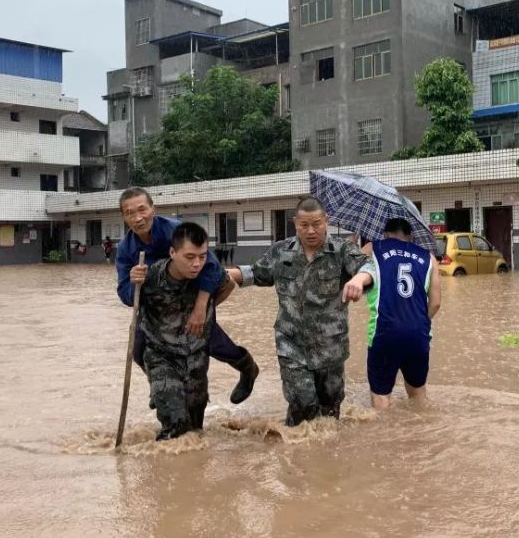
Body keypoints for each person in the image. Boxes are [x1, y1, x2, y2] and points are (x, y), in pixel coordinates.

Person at [227, 196, 374, 426]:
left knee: (330, 410)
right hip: (291, 344)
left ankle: (320, 458)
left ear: (327, 221)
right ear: (295, 223)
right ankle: (294, 451)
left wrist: (358, 279)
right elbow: (256, 272)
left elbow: (368, 266)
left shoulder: (342, 250)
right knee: (303, 402)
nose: (311, 231)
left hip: (330, 347)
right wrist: (225, 274)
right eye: (304, 225)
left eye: (316, 224)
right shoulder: (282, 251)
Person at [116, 187, 259, 405]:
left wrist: (201, 308)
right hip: (157, 309)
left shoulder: (177, 232)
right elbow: (125, 294)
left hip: (192, 297)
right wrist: (134, 281)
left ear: (153, 209)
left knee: (213, 344)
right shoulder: (126, 249)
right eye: (129, 213)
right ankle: (161, 384)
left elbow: (212, 267)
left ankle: (247, 368)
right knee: (138, 350)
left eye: (142, 209)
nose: (137, 217)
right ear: (124, 217)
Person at [140, 222, 228, 440]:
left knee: (195, 430)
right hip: (162, 358)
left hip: (197, 357)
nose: (196, 264)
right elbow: (126, 298)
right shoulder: (151, 278)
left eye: (202, 256)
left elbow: (228, 284)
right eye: (189, 257)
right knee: (176, 428)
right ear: (172, 252)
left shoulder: (208, 273)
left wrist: (205, 308)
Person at [363, 218, 441, 409]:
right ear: (410, 236)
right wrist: (419, 322)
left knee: (381, 398)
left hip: (385, 333)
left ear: (385, 234)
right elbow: (436, 303)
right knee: (418, 394)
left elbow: (351, 270)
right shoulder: (428, 258)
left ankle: (384, 435)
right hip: (418, 335)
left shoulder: (373, 248)